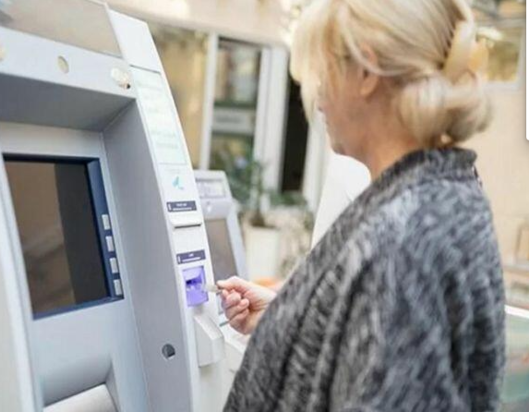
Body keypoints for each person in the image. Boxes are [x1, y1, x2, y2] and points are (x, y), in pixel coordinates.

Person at [217, 0, 506, 411]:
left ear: (366, 72)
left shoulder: (403, 237)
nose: (317, 97)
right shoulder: (444, 193)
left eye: (323, 70)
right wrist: (289, 318)